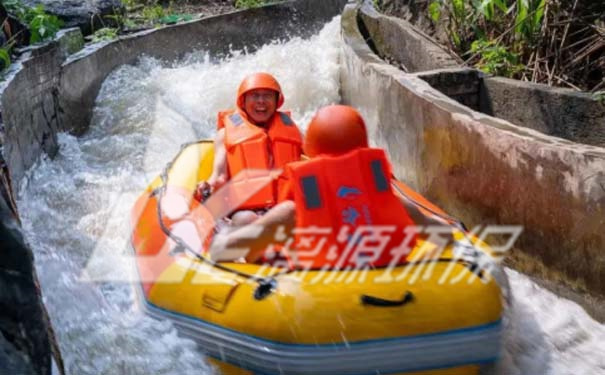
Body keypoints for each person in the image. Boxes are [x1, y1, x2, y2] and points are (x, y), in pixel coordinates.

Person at [215, 105, 450, 266]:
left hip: (324, 304)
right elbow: (444, 235)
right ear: (364, 147)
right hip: (398, 292)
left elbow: (222, 251)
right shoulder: (392, 201)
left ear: (313, 151)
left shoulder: (292, 213)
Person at [202, 72, 303, 226]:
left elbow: (317, 159)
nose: (261, 101)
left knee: (291, 210)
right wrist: (209, 186)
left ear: (277, 101)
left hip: (284, 207)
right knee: (246, 219)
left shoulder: (293, 130)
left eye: (267, 96)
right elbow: (219, 175)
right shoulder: (225, 134)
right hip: (245, 212)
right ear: (243, 101)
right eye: (255, 96)